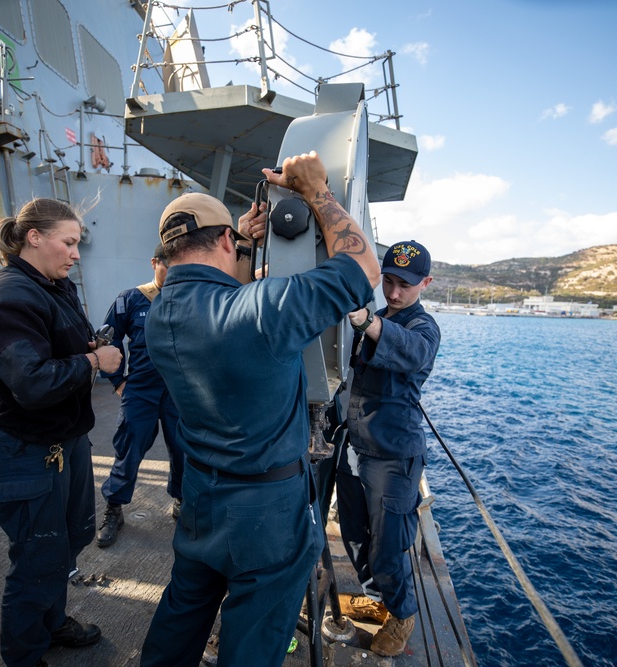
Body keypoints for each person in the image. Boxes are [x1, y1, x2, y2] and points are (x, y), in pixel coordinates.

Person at [139, 151, 381, 667]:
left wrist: (243, 240)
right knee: (252, 646)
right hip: (268, 517)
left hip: (203, 500)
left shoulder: (159, 315)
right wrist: (318, 191)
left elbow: (220, 299)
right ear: (226, 242)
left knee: (181, 615)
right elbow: (364, 269)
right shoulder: (263, 312)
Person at [0, 198, 123, 667]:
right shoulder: (8, 300)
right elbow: (32, 383)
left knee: (69, 539)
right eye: (69, 242)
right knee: (38, 558)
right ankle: (23, 653)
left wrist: (88, 346)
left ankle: (50, 621)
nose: (76, 253)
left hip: (65, 445)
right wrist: (96, 362)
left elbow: (62, 343)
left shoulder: (56, 287)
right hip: (26, 452)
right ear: (34, 238)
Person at [336, 240, 440, 657]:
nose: (395, 293)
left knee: (388, 546)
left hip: (394, 456)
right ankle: (375, 596)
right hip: (354, 446)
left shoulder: (423, 327)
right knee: (354, 532)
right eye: (390, 282)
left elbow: (413, 351)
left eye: (406, 286)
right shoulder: (376, 316)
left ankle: (402, 613)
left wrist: (366, 324)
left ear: (426, 283)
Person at [96, 243, 184, 548]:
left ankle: (182, 499)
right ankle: (114, 508)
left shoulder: (187, 298)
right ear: (154, 263)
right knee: (129, 448)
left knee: (184, 448)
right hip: (141, 390)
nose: (172, 275)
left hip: (179, 392)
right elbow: (107, 338)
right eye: (167, 268)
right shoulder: (130, 299)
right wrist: (118, 380)